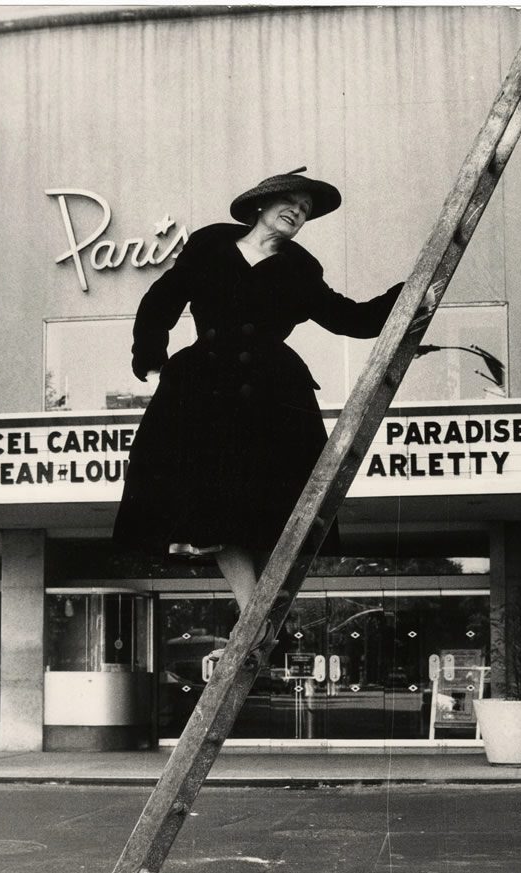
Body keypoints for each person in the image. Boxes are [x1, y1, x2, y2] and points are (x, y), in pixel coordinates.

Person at [113, 167, 404, 653]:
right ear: (260, 205)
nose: (298, 212)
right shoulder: (209, 248)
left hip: (273, 397)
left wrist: (408, 293)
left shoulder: (301, 271)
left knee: (272, 508)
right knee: (210, 508)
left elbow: (349, 318)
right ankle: (255, 618)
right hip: (203, 392)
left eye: (306, 210)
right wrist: (151, 360)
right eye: (289, 202)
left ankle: (258, 621)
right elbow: (160, 300)